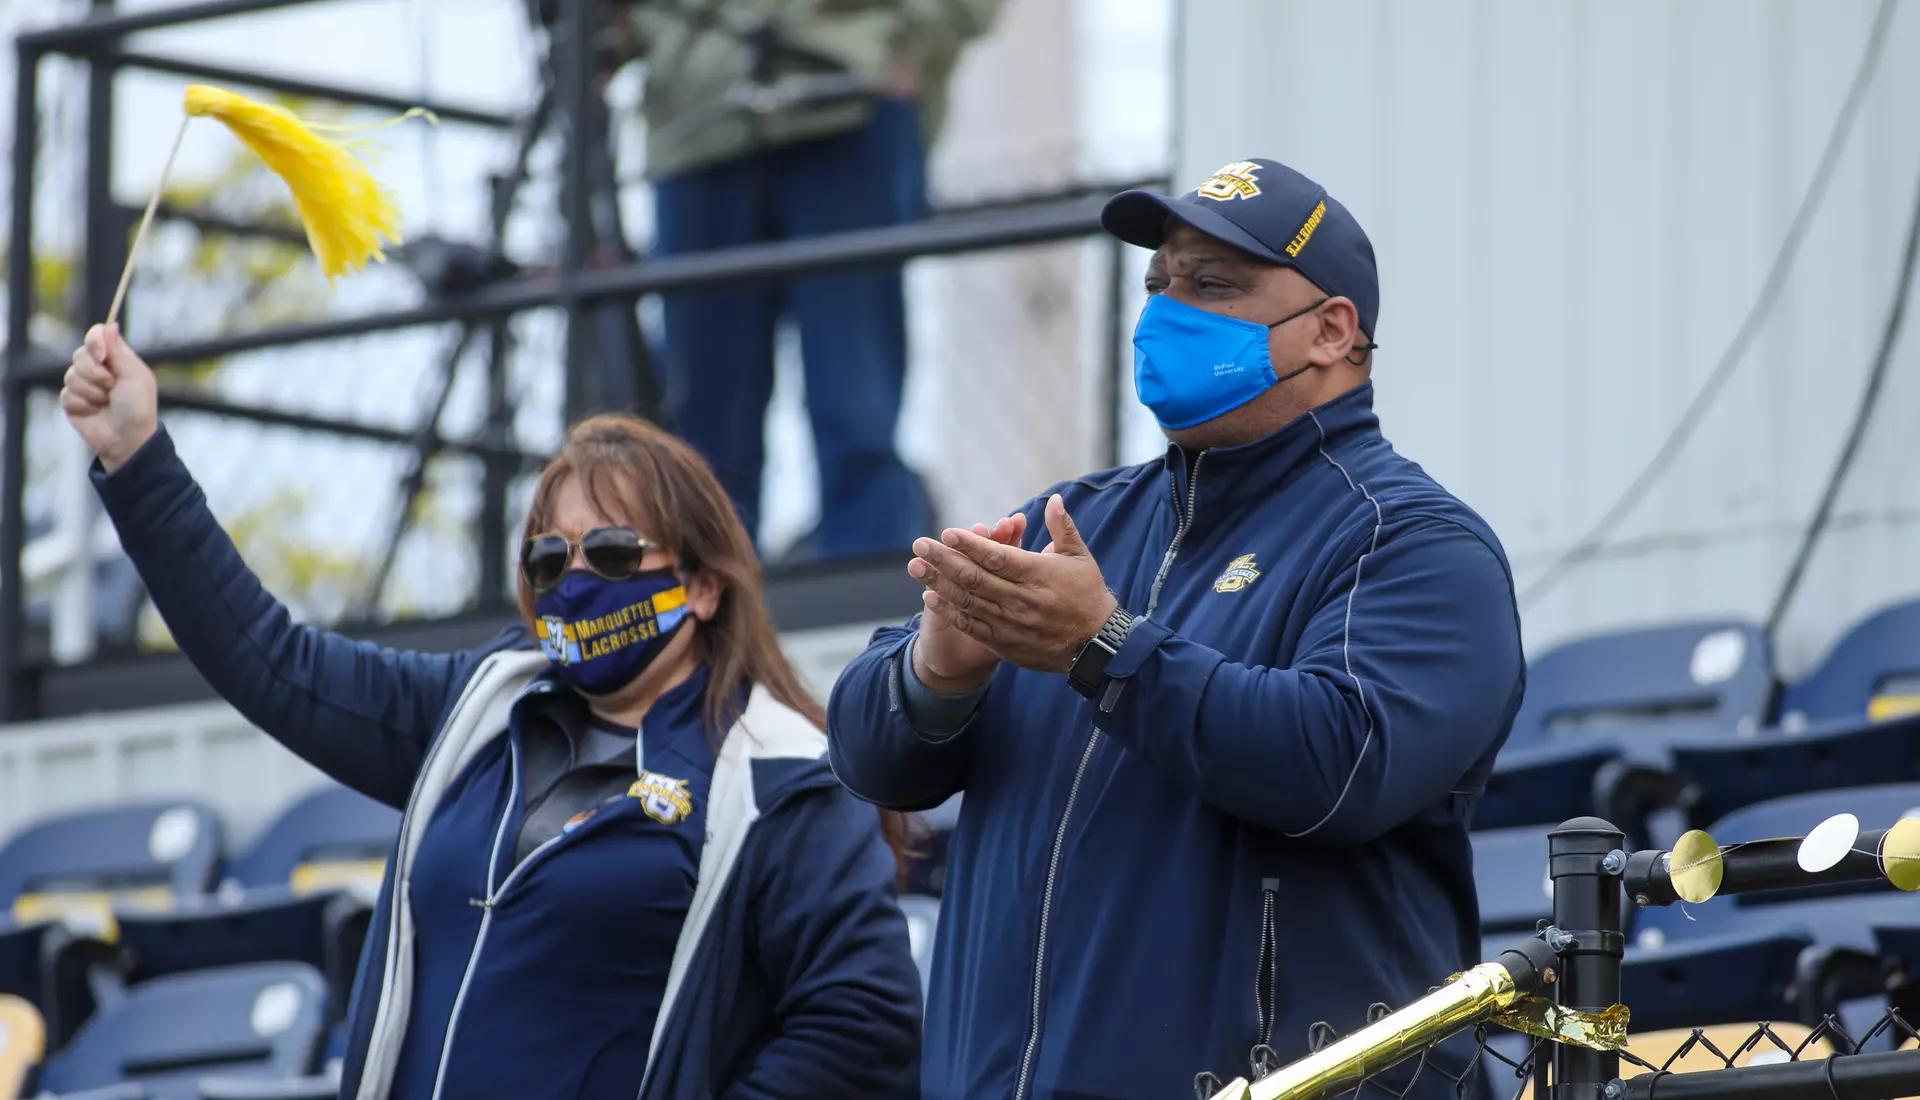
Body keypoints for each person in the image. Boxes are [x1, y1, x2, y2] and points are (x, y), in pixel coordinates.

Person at [61, 324, 922, 1100]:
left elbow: (864, 1029)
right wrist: (137, 456)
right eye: (549, 558)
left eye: (614, 551)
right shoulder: (476, 711)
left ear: (701, 585)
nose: (575, 578)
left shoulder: (781, 774)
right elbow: (269, 662)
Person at [827, 158, 1527, 1100]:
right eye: (1159, 283)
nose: (1167, 311)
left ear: (1331, 331)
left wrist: (1104, 649)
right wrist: (936, 670)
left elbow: (1341, 765)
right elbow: (873, 758)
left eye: (1214, 285)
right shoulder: (1078, 520)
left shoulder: (1413, 541)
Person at [617, 0, 1001, 561]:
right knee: (703, 428)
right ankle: (708, 603)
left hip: (848, 100)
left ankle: (874, 615)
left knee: (855, 404)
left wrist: (914, 42)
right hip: (696, 122)